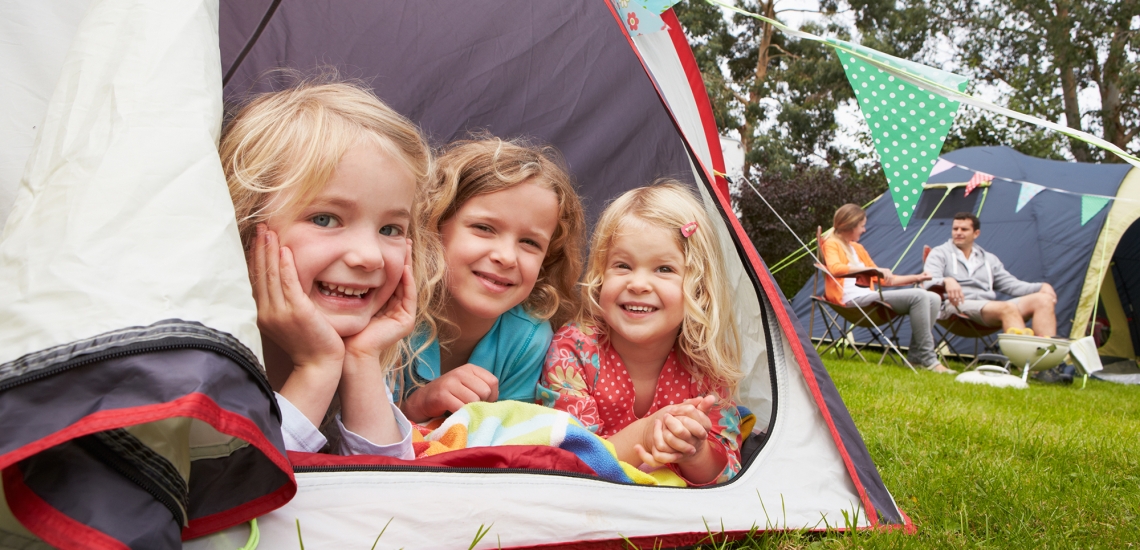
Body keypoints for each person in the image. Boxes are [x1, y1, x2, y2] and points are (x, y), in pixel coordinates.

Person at [222, 81, 434, 457]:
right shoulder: (204, 365)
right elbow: (237, 494)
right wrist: (315, 369)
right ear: (242, 225)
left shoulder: (359, 353)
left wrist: (363, 361)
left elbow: (387, 499)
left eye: (390, 229)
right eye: (325, 219)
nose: (369, 256)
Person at [537, 182, 743, 486]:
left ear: (698, 288)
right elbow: (570, 460)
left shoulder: (705, 364)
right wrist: (647, 433)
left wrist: (694, 452)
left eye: (663, 269)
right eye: (623, 265)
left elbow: (727, 475)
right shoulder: (574, 350)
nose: (638, 284)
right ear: (600, 274)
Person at [398, 138, 586, 424]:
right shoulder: (392, 310)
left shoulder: (529, 338)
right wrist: (419, 405)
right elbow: (352, 434)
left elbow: (508, 443)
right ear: (434, 224)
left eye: (530, 242)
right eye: (484, 228)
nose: (507, 257)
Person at [822, 204, 951, 373]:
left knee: (932, 297)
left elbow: (881, 279)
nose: (864, 230)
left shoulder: (857, 248)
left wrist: (917, 277)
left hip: (869, 297)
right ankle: (929, 359)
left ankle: (915, 358)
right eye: (862, 225)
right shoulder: (831, 243)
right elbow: (835, 269)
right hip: (852, 302)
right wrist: (870, 270)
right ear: (851, 225)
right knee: (919, 296)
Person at [924, 212, 1057, 337]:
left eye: (964, 230)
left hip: (988, 308)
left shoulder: (989, 259)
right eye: (955, 229)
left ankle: (1046, 357)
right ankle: (1024, 359)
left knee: (1043, 300)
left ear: (976, 233)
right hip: (955, 308)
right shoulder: (939, 253)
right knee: (1008, 308)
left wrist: (1042, 287)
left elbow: (1011, 285)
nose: (958, 233)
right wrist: (946, 281)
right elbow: (928, 280)